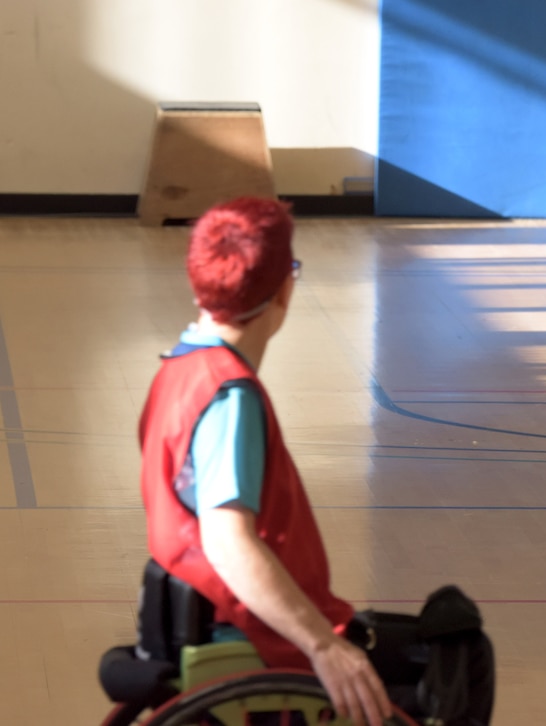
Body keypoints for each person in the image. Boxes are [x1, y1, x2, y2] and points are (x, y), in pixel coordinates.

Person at [138, 197, 494, 725]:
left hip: (201, 615)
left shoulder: (178, 368)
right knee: (460, 654)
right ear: (286, 286)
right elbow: (228, 542)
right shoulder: (228, 397)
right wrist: (323, 647)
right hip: (255, 637)